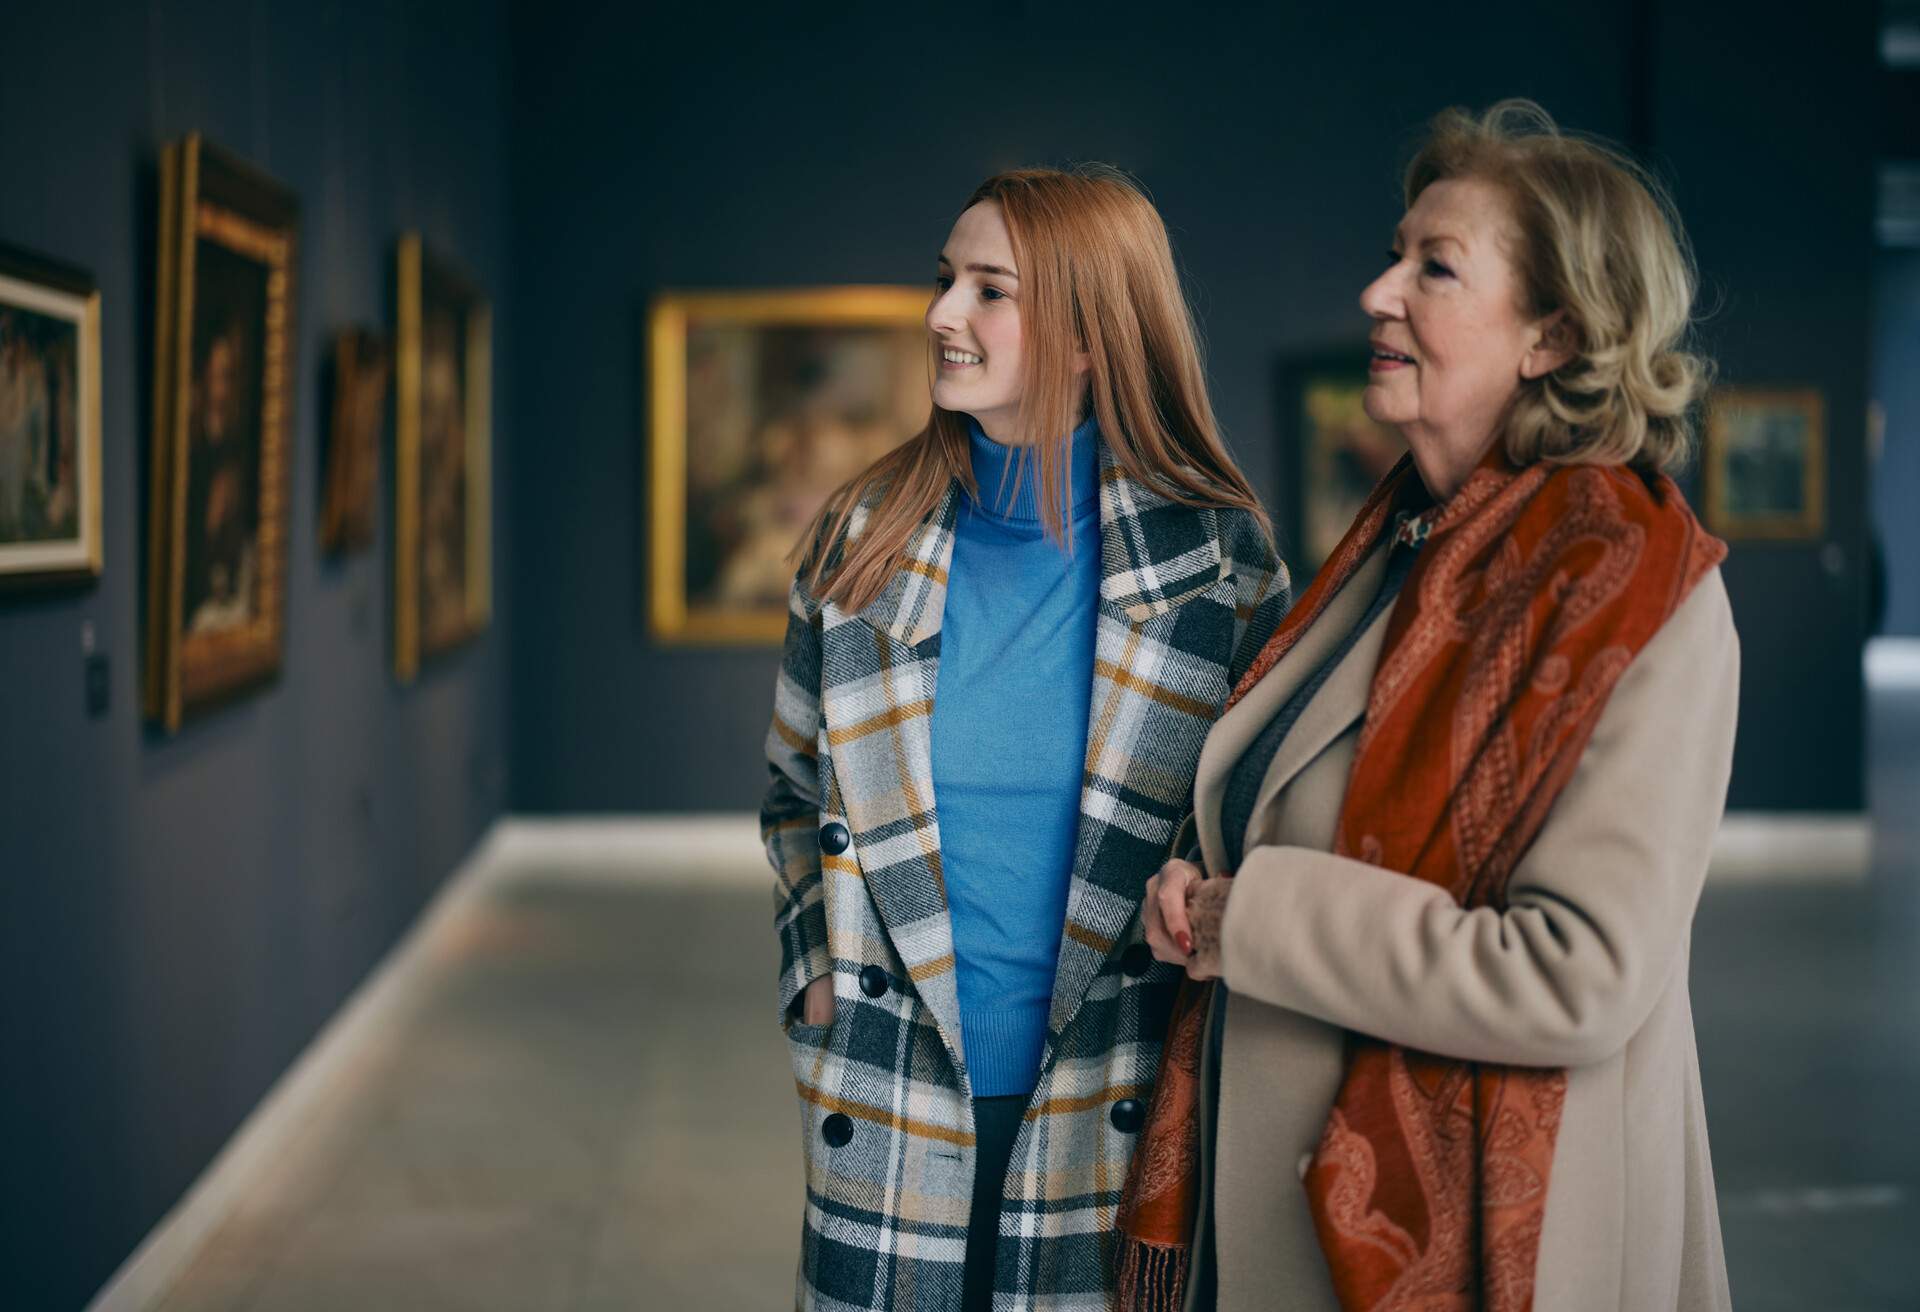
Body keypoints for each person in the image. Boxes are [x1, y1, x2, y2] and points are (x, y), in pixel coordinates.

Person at [1122, 101, 1738, 1312]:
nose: (1376, 290)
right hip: (1271, 1222)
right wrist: (1193, 896)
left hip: (1484, 1247)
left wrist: (1247, 922)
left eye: (1433, 267)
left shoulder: (1637, 594)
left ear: (1553, 334)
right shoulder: (1399, 546)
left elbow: (1575, 974)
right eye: (1395, 253)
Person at [759, 165, 1291, 1312]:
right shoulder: (859, 543)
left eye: (989, 290)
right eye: (945, 280)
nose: (943, 314)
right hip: (887, 1081)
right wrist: (817, 980)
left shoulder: (1220, 569)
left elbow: (1270, 834)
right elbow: (792, 794)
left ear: (1093, 332)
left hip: (1117, 1090)